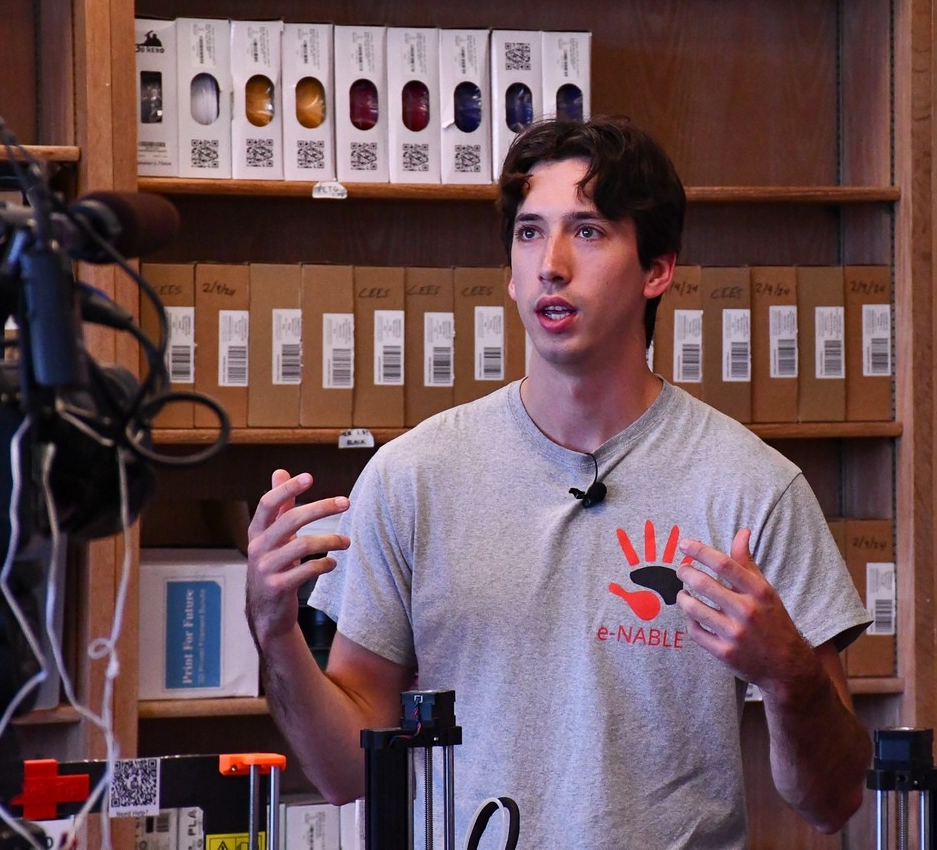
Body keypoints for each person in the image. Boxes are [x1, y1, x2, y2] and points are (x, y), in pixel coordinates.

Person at [245, 116, 873, 849]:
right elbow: (344, 774)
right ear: (510, 275)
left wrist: (789, 672)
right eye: (529, 233)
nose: (551, 263)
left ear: (657, 269)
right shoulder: (411, 478)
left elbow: (833, 801)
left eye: (589, 231)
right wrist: (275, 632)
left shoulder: (751, 489)